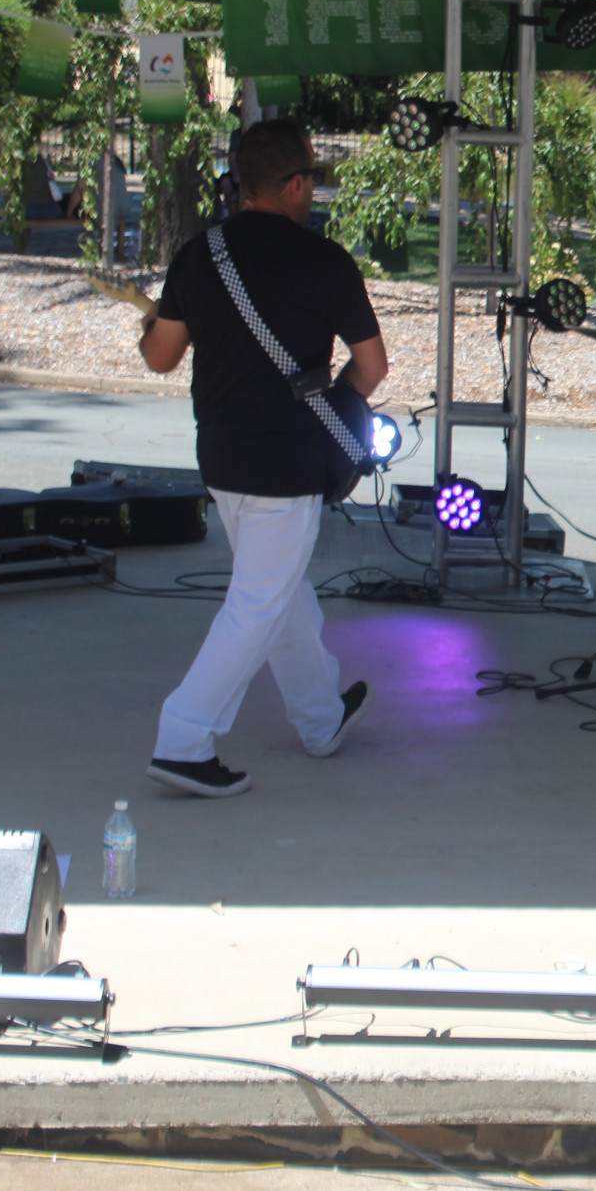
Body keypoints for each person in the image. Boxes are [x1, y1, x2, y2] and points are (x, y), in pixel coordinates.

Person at [137, 118, 389, 797]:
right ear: (296, 183)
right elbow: (372, 367)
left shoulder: (200, 254)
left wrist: (148, 320)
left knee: (278, 591)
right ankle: (183, 737)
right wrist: (330, 406)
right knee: (256, 601)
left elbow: (160, 355)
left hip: (221, 458)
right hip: (288, 463)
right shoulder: (326, 260)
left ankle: (318, 715)